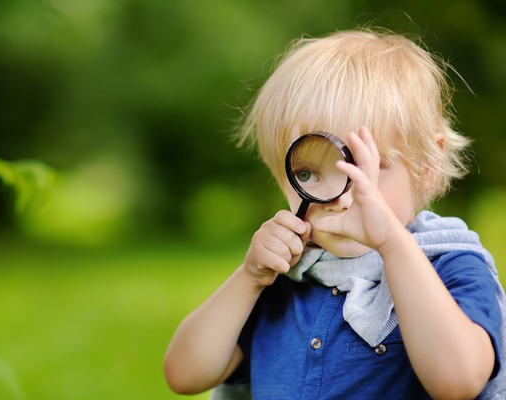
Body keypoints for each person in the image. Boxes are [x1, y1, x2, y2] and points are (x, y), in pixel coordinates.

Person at [163, 28, 506, 400]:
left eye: (363, 169)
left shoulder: (449, 265)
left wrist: (391, 243)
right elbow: (184, 374)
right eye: (307, 174)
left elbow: (457, 382)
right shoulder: (285, 278)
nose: (338, 199)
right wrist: (249, 278)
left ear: (428, 163)